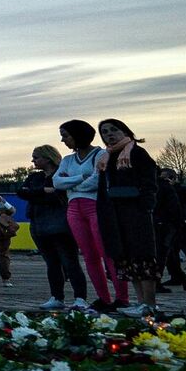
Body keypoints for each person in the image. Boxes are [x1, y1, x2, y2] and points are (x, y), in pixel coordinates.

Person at [54, 121, 125, 310]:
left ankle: (122, 298)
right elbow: (56, 182)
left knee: (108, 253)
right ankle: (104, 298)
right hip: (74, 209)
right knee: (89, 255)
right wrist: (80, 178)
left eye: (66, 136)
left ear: (78, 135)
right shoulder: (68, 159)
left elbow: (96, 181)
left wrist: (71, 183)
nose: (63, 140)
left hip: (96, 206)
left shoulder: (100, 154)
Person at [96, 118, 160, 317]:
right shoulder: (107, 157)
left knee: (142, 257)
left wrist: (145, 206)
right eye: (105, 132)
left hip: (136, 212)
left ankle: (150, 303)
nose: (109, 134)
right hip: (115, 213)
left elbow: (149, 181)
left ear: (125, 131)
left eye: (113, 130)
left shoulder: (136, 153)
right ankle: (140, 301)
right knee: (127, 258)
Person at [23, 146, 89, 309]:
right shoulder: (35, 177)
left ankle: (80, 297)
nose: (33, 161)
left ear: (47, 158)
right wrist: (44, 191)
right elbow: (22, 192)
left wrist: (36, 193)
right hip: (38, 224)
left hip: (61, 224)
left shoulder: (63, 175)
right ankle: (57, 297)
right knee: (51, 263)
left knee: (70, 262)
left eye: (36, 157)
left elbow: (58, 195)